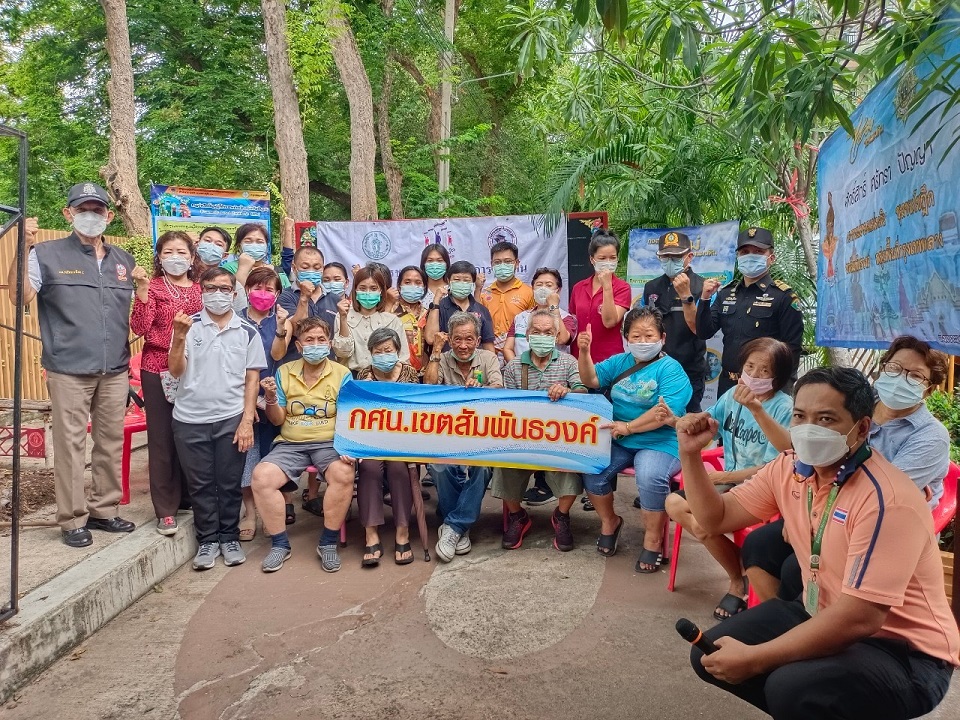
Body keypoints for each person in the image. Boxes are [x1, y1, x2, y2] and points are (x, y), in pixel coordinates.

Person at [677, 367, 958, 720]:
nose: (809, 428)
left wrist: (755, 659)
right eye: (800, 416)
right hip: (821, 610)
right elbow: (715, 518)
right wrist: (689, 454)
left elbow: (862, 617)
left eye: (826, 419)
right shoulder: (790, 468)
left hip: (906, 651)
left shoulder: (887, 499)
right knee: (710, 654)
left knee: (790, 687)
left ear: (862, 428)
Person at [742, 335, 953, 604]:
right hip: (824, 505)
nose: (901, 378)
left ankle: (804, 621)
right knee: (758, 546)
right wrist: (800, 516)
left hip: (881, 525)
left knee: (795, 568)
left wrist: (805, 522)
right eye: (895, 368)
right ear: (883, 367)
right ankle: (785, 617)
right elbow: (809, 453)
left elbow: (881, 496)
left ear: (929, 389)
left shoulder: (931, 437)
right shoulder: (856, 405)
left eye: (915, 376)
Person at [7, 183, 137, 548]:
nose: (91, 215)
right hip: (68, 368)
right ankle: (72, 519)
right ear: (68, 213)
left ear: (109, 215)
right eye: (83, 209)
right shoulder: (46, 254)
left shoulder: (124, 260)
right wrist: (22, 246)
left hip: (114, 369)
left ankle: (104, 510)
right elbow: (19, 296)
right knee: (70, 447)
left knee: (110, 443)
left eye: (98, 209)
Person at [663, 338, 794, 620]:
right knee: (674, 504)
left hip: (760, 486)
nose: (754, 375)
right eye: (750, 366)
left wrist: (724, 475)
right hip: (730, 482)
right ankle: (742, 570)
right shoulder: (734, 393)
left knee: (703, 525)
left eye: (764, 370)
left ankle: (736, 582)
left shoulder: (784, 408)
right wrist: (678, 421)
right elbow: (708, 421)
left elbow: (777, 465)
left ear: (778, 376)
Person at [577, 307, 692, 569]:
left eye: (649, 336)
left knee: (650, 476)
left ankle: (653, 538)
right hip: (620, 437)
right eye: (636, 336)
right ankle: (610, 521)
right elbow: (591, 379)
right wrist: (584, 352)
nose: (642, 342)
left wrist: (628, 427)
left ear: (662, 338)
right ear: (626, 338)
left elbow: (664, 413)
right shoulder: (620, 362)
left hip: (660, 440)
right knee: (592, 467)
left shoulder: (671, 370)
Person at [168, 267, 266, 571]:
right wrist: (179, 337)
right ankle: (207, 541)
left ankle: (229, 538)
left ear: (234, 294)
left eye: (224, 289)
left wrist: (246, 421)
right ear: (202, 291)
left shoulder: (248, 331)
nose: (218, 294)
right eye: (211, 288)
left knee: (228, 482)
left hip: (230, 418)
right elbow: (175, 371)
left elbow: (252, 380)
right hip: (189, 419)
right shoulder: (188, 326)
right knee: (200, 484)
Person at [252, 317, 355, 574]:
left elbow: (349, 416)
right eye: (309, 340)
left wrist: (348, 448)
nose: (315, 344)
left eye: (321, 340)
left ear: (329, 344)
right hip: (291, 442)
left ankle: (328, 543)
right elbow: (278, 420)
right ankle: (280, 544)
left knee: (344, 474)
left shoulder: (342, 374)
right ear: (298, 346)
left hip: (329, 442)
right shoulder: (285, 372)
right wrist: (271, 398)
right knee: (261, 477)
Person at [493, 310, 586, 551]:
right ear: (527, 335)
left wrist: (568, 391)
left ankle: (561, 515)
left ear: (556, 336)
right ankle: (518, 516)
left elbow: (583, 392)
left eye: (548, 332)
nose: (542, 336)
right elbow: (507, 406)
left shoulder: (568, 362)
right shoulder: (514, 366)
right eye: (536, 332)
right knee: (503, 464)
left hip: (558, 439)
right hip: (522, 437)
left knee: (571, 468)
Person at [130, 230, 203, 536]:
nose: (175, 258)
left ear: (192, 257)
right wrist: (142, 290)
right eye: (168, 252)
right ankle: (165, 510)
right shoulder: (153, 287)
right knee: (161, 439)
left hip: (193, 370)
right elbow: (140, 327)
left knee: (190, 435)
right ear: (159, 257)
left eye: (181, 252)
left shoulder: (202, 289)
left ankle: (188, 497)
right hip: (156, 367)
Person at [423, 311, 503, 562]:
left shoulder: (488, 358)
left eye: (469, 339)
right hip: (446, 433)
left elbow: (499, 389)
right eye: (457, 339)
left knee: (485, 466)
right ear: (450, 339)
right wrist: (436, 350)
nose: (463, 345)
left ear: (478, 340)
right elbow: (428, 387)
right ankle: (460, 524)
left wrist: (482, 389)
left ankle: (453, 526)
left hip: (481, 433)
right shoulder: (443, 358)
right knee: (438, 467)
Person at [696, 227, 803, 397]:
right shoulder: (726, 293)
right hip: (728, 385)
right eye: (745, 252)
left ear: (771, 258)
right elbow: (704, 332)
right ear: (738, 257)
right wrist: (704, 299)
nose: (750, 256)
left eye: (758, 251)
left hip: (763, 387)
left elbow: (792, 349)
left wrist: (782, 389)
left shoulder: (783, 297)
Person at [355, 327, 420, 566]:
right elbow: (357, 412)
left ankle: (402, 531)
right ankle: (371, 534)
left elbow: (417, 409)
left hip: (403, 440)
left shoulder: (410, 373)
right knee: (369, 468)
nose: (383, 355)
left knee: (398, 468)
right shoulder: (364, 374)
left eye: (388, 350)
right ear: (371, 353)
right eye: (378, 351)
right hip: (372, 440)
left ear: (397, 351)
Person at [237, 266, 285, 541]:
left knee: (271, 454)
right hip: (242, 398)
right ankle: (250, 513)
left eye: (269, 289)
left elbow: (277, 355)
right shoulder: (235, 320)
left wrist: (280, 329)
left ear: (277, 293)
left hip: (273, 396)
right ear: (247, 290)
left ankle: (270, 512)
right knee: (248, 456)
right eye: (257, 288)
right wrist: (249, 400)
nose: (262, 293)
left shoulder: (281, 320)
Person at [642, 231, 708, 412]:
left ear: (689, 256)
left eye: (676, 256)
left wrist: (686, 295)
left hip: (689, 369)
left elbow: (702, 329)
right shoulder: (651, 287)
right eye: (665, 256)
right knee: (656, 418)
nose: (670, 261)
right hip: (655, 368)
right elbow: (643, 323)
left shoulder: (702, 287)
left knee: (687, 421)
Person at [332, 265, 410, 373]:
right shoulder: (343, 315)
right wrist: (343, 318)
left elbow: (403, 358)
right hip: (352, 377)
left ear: (381, 291)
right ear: (355, 290)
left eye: (373, 288)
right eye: (362, 288)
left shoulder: (392, 320)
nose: (368, 293)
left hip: (384, 377)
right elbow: (342, 353)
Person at [568, 230, 632, 362]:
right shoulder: (578, 287)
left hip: (610, 359)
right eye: (602, 258)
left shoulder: (622, 287)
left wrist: (607, 287)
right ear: (592, 259)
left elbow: (610, 322)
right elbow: (573, 322)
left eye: (612, 258)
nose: (608, 262)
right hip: (580, 356)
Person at [275, 245, 339, 363]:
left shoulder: (335, 299)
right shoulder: (286, 297)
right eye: (305, 267)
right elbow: (296, 330)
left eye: (316, 267)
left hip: (329, 367)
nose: (311, 271)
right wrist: (304, 298)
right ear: (294, 268)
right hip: (294, 366)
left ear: (322, 269)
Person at [503, 267, 576, 361]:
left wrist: (553, 306)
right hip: (523, 368)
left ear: (558, 290)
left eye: (549, 285)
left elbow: (562, 339)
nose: (543, 288)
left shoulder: (567, 318)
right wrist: (517, 367)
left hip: (555, 369)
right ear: (533, 288)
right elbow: (508, 348)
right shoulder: (520, 317)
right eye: (539, 284)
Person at [424, 260, 495, 353]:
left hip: (476, 361)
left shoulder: (482, 310)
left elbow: (488, 346)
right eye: (457, 280)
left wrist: (492, 361)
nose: (461, 283)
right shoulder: (439, 307)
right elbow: (430, 339)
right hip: (446, 361)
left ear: (473, 283)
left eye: (466, 280)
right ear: (449, 281)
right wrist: (436, 301)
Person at [478, 241, 535, 357]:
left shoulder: (529, 293)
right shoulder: (484, 293)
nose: (502, 265)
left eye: (508, 261)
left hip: (519, 354)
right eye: (497, 262)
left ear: (517, 263)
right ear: (491, 264)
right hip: (490, 354)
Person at [221, 222, 292, 291]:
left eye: (259, 242)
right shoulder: (228, 269)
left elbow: (288, 295)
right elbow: (234, 293)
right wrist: (243, 269)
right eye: (248, 241)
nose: (254, 245)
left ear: (266, 246)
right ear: (239, 246)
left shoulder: (278, 271)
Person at [196, 226, 247, 313]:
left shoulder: (232, 284)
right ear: (197, 245)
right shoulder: (182, 277)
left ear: (225, 255)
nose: (211, 246)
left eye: (219, 244)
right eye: (207, 241)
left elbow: (241, 314)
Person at [389, 265, 429, 371]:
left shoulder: (428, 313)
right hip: (397, 371)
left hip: (423, 372)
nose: (413, 286)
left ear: (424, 287)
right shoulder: (390, 311)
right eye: (407, 282)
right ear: (399, 286)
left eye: (418, 282)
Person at [420, 243, 450, 308]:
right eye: (430, 261)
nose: (435, 265)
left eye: (439, 260)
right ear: (424, 264)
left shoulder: (453, 289)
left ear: (446, 264)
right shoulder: (418, 290)